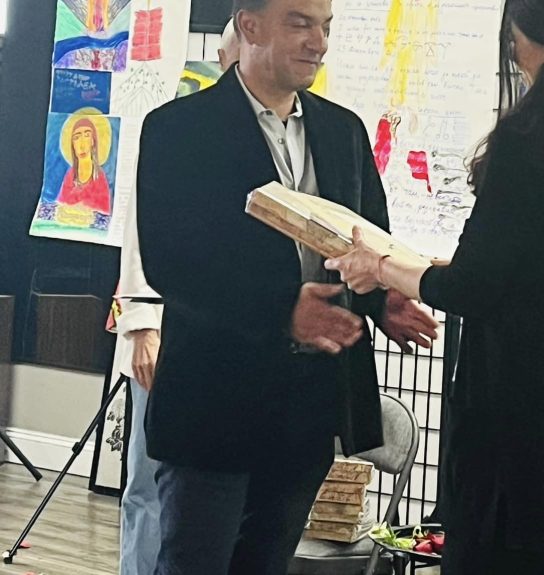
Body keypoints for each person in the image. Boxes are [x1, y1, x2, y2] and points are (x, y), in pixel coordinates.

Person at [326, 0, 544, 573]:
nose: (513, 52)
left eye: (515, 38)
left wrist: (380, 265)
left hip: (527, 435)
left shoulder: (532, 141)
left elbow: (473, 286)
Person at [136, 1, 438, 573]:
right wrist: (282, 311)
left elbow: (367, 242)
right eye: (299, 23)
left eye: (325, 26)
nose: (317, 42)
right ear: (249, 25)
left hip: (310, 404)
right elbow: (172, 262)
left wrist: (383, 301)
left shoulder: (343, 131)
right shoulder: (179, 129)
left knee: (269, 563)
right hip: (214, 400)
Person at [116, 20, 242, 575]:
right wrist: (142, 324)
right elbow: (140, 233)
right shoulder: (180, 127)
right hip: (164, 330)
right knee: (149, 480)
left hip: (232, 342)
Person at [57, 117, 112, 215]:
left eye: (87, 136)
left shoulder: (99, 176)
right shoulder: (70, 175)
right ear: (72, 145)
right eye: (76, 138)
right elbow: (61, 205)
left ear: (93, 141)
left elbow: (103, 212)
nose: (82, 145)